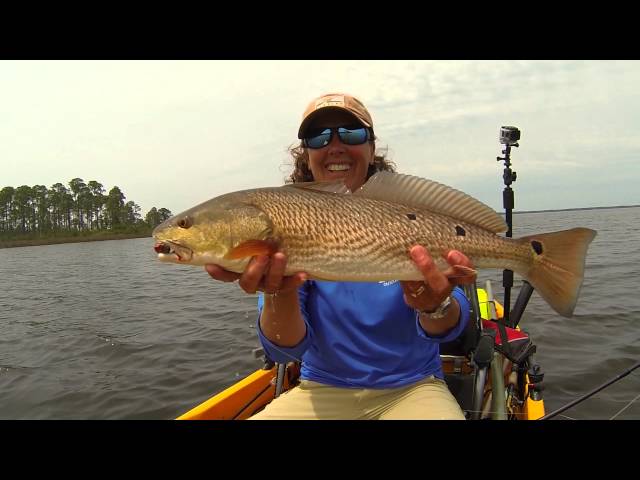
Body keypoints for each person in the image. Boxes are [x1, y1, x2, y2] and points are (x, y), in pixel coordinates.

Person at [205, 92, 477, 419]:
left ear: (372, 148)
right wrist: (279, 289)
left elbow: (453, 325)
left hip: (415, 387)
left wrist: (435, 304)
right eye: (318, 137)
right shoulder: (287, 223)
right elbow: (283, 348)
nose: (335, 146)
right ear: (305, 155)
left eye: (351, 133)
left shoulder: (413, 218)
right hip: (321, 389)